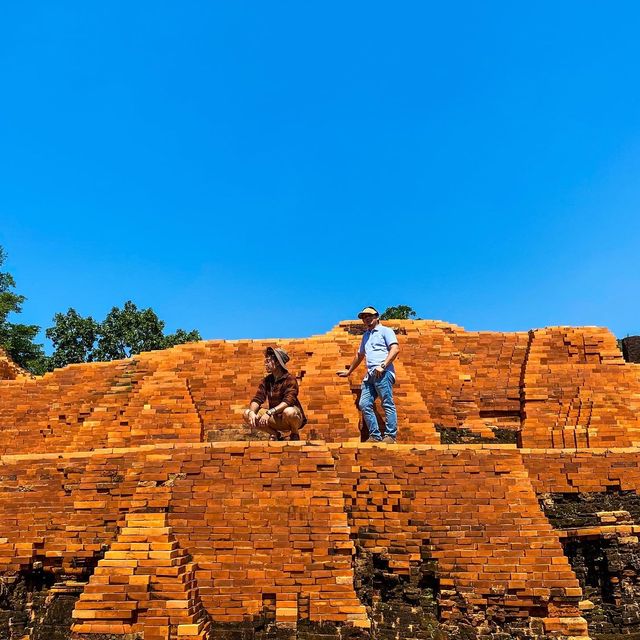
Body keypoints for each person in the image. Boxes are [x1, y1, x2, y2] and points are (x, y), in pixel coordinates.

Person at [337, 306, 400, 443]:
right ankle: (375, 436)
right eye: (364, 317)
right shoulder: (366, 336)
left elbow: (395, 349)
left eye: (369, 316)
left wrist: (383, 366)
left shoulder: (385, 331)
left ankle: (391, 436)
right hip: (370, 375)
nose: (366, 319)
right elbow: (360, 355)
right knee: (364, 404)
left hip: (383, 372)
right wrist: (349, 372)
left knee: (387, 403)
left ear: (377, 316)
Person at [243, 346, 307, 441]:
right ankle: (275, 434)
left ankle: (294, 433)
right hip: (275, 418)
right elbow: (257, 398)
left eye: (268, 361)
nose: (266, 364)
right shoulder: (266, 381)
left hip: (291, 418)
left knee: (289, 411)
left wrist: (269, 412)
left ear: (277, 363)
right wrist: (252, 412)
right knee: (246, 413)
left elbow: (288, 401)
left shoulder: (289, 379)